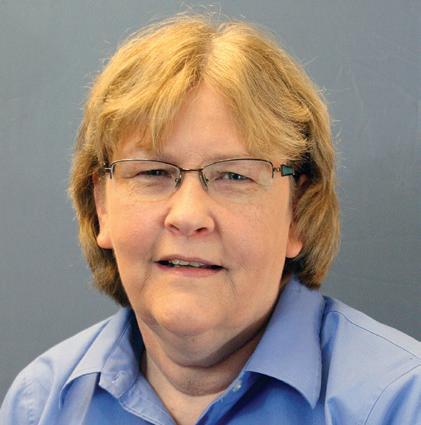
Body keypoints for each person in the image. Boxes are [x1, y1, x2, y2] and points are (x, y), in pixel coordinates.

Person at [1, 14, 420, 425]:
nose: (188, 216)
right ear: (102, 207)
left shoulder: (399, 404)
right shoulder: (41, 405)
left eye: (234, 176)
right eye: (152, 172)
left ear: (297, 211)